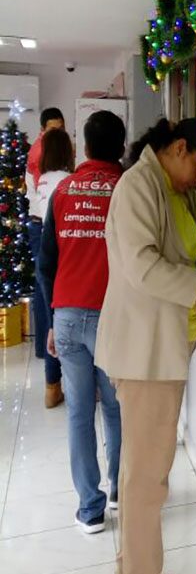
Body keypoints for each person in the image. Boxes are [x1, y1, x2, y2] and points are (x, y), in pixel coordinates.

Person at [96, 118, 196, 574]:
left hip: (158, 350)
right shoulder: (139, 186)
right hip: (145, 354)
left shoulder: (174, 189)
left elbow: (194, 235)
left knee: (140, 473)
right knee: (147, 481)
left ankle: (132, 570)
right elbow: (143, 267)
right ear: (177, 148)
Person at [38, 112, 126, 535]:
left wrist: (52, 320)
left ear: (85, 148)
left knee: (78, 412)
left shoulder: (62, 191)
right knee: (115, 406)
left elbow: (46, 264)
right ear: (121, 148)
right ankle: (120, 491)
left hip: (68, 315)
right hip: (113, 317)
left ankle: (90, 509)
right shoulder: (128, 190)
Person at [27, 107, 67, 407]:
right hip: (48, 232)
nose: (58, 134)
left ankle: (51, 380)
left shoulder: (44, 171)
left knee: (47, 298)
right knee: (56, 304)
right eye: (54, 129)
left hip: (41, 229)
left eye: (61, 128)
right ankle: (56, 381)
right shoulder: (57, 175)